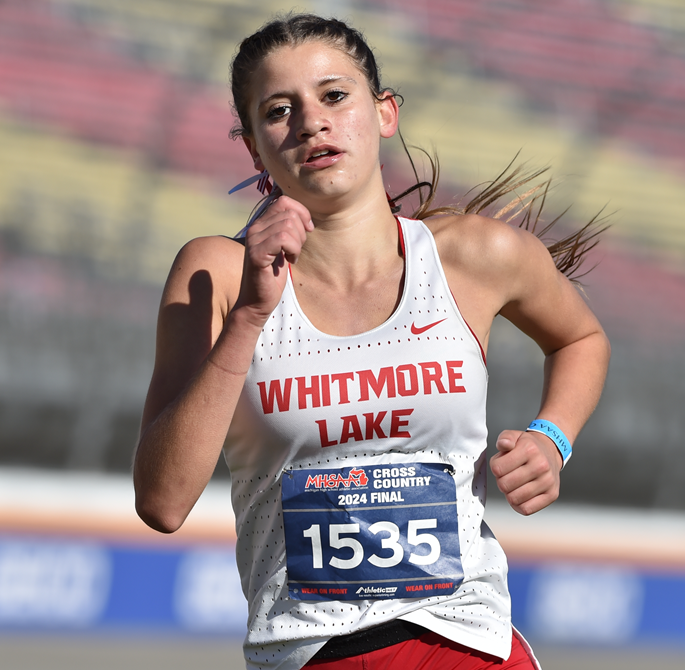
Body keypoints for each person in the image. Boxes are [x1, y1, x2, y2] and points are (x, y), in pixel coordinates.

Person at [133, 13, 610, 670]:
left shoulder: (474, 255)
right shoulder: (215, 273)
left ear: (383, 113)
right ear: (252, 148)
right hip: (309, 652)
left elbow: (579, 336)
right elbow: (162, 502)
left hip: (468, 643)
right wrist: (248, 316)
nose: (310, 122)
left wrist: (551, 437)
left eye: (334, 96)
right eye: (279, 110)